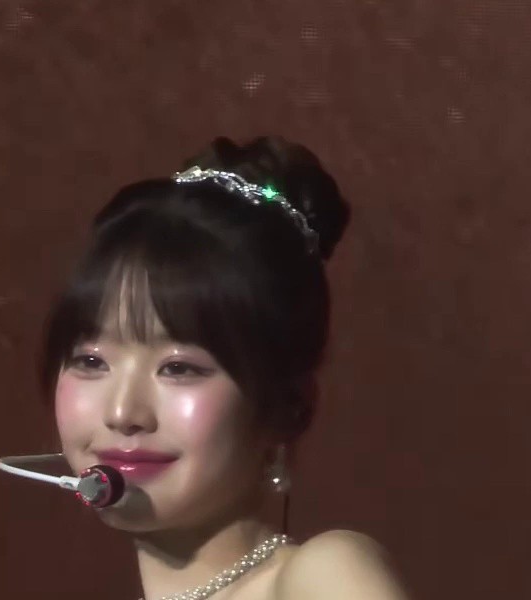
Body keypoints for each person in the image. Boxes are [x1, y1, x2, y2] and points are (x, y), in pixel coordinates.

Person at [39, 136, 410, 600]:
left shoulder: (323, 575)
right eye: (91, 361)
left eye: (179, 368)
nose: (123, 412)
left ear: (286, 407)